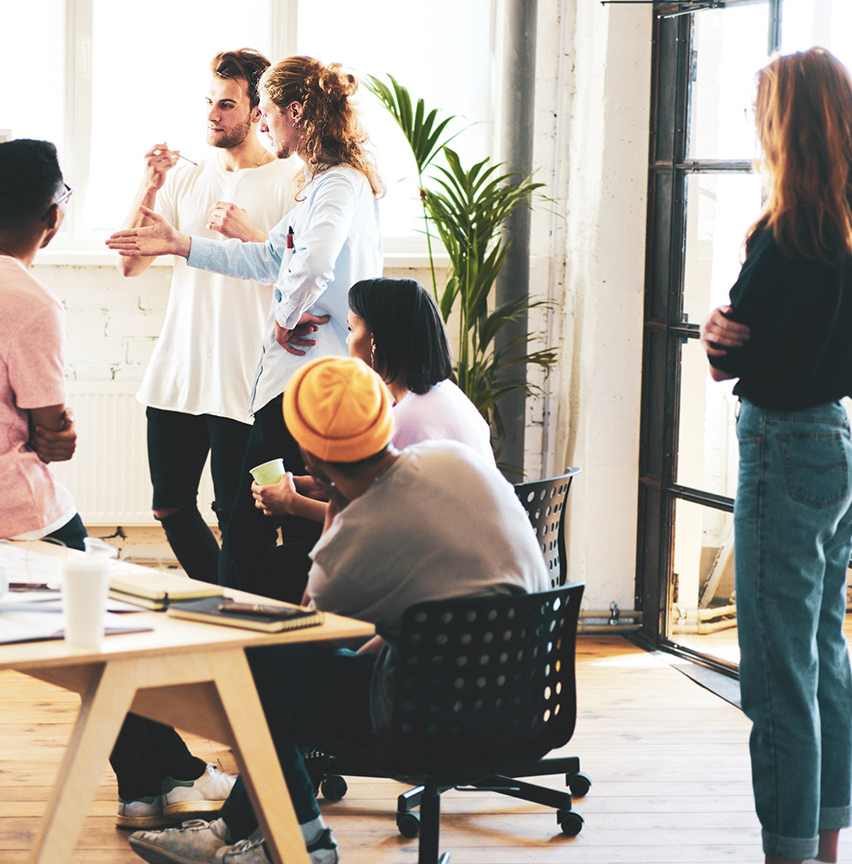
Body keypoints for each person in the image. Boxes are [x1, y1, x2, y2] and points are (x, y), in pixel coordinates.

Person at [0, 139, 233, 829]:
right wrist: (60, 432)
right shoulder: (29, 299)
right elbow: (54, 439)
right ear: (54, 216)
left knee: (102, 642)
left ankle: (157, 784)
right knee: (117, 635)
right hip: (18, 515)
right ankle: (169, 780)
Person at [127, 356, 550, 864]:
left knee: (259, 673)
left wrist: (337, 506)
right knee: (297, 676)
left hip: (429, 722)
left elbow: (304, 644)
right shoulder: (454, 460)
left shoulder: (350, 547)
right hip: (529, 702)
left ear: (308, 456)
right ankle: (231, 829)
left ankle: (303, 839)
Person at [702, 47, 852, 864]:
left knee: (777, 676)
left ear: (790, 122)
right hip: (839, 450)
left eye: (761, 110)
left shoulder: (782, 237)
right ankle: (824, 848)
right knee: (823, 660)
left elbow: (729, 355)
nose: (754, 125)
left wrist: (714, 338)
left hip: (782, 449)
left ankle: (786, 855)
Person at [107, 55, 384, 599]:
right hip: (284, 384)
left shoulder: (330, 185)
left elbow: (314, 261)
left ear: (292, 111)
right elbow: (266, 259)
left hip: (303, 385)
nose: (262, 123)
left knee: (252, 528)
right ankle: (261, 633)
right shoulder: (318, 184)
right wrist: (181, 243)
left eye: (267, 111)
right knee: (251, 528)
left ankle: (261, 637)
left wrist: (282, 318)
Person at [116, 49, 299, 583]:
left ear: (258, 111)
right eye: (209, 103)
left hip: (246, 381)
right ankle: (218, 604)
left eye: (227, 104)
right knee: (168, 507)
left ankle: (237, 630)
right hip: (180, 372)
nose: (213, 116)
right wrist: (149, 184)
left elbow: (304, 274)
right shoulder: (184, 179)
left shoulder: (290, 180)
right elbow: (130, 264)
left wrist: (255, 236)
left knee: (238, 520)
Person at [251, 277, 492, 528]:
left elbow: (374, 521)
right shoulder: (445, 395)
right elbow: (379, 488)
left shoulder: (407, 420)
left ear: (375, 342)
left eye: (351, 329)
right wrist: (317, 485)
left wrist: (292, 504)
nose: (347, 341)